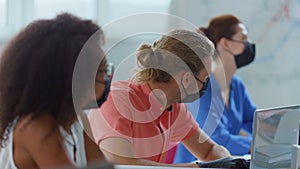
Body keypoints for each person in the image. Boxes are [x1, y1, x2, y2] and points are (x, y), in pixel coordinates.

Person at [88, 29, 231, 167]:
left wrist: (228, 163)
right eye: (204, 79)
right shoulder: (116, 101)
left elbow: (209, 151)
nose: (205, 86)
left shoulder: (174, 108)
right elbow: (125, 165)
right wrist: (197, 168)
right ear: (187, 79)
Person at [0, 13, 112, 169]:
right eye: (102, 71)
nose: (107, 78)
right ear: (74, 77)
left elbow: (102, 166)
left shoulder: (78, 119)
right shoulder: (36, 127)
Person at [174, 14, 257, 163]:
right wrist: (258, 146)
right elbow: (218, 138)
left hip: (225, 162)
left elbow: (255, 123)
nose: (249, 44)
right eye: (244, 38)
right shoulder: (200, 87)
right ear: (225, 43)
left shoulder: (237, 86)